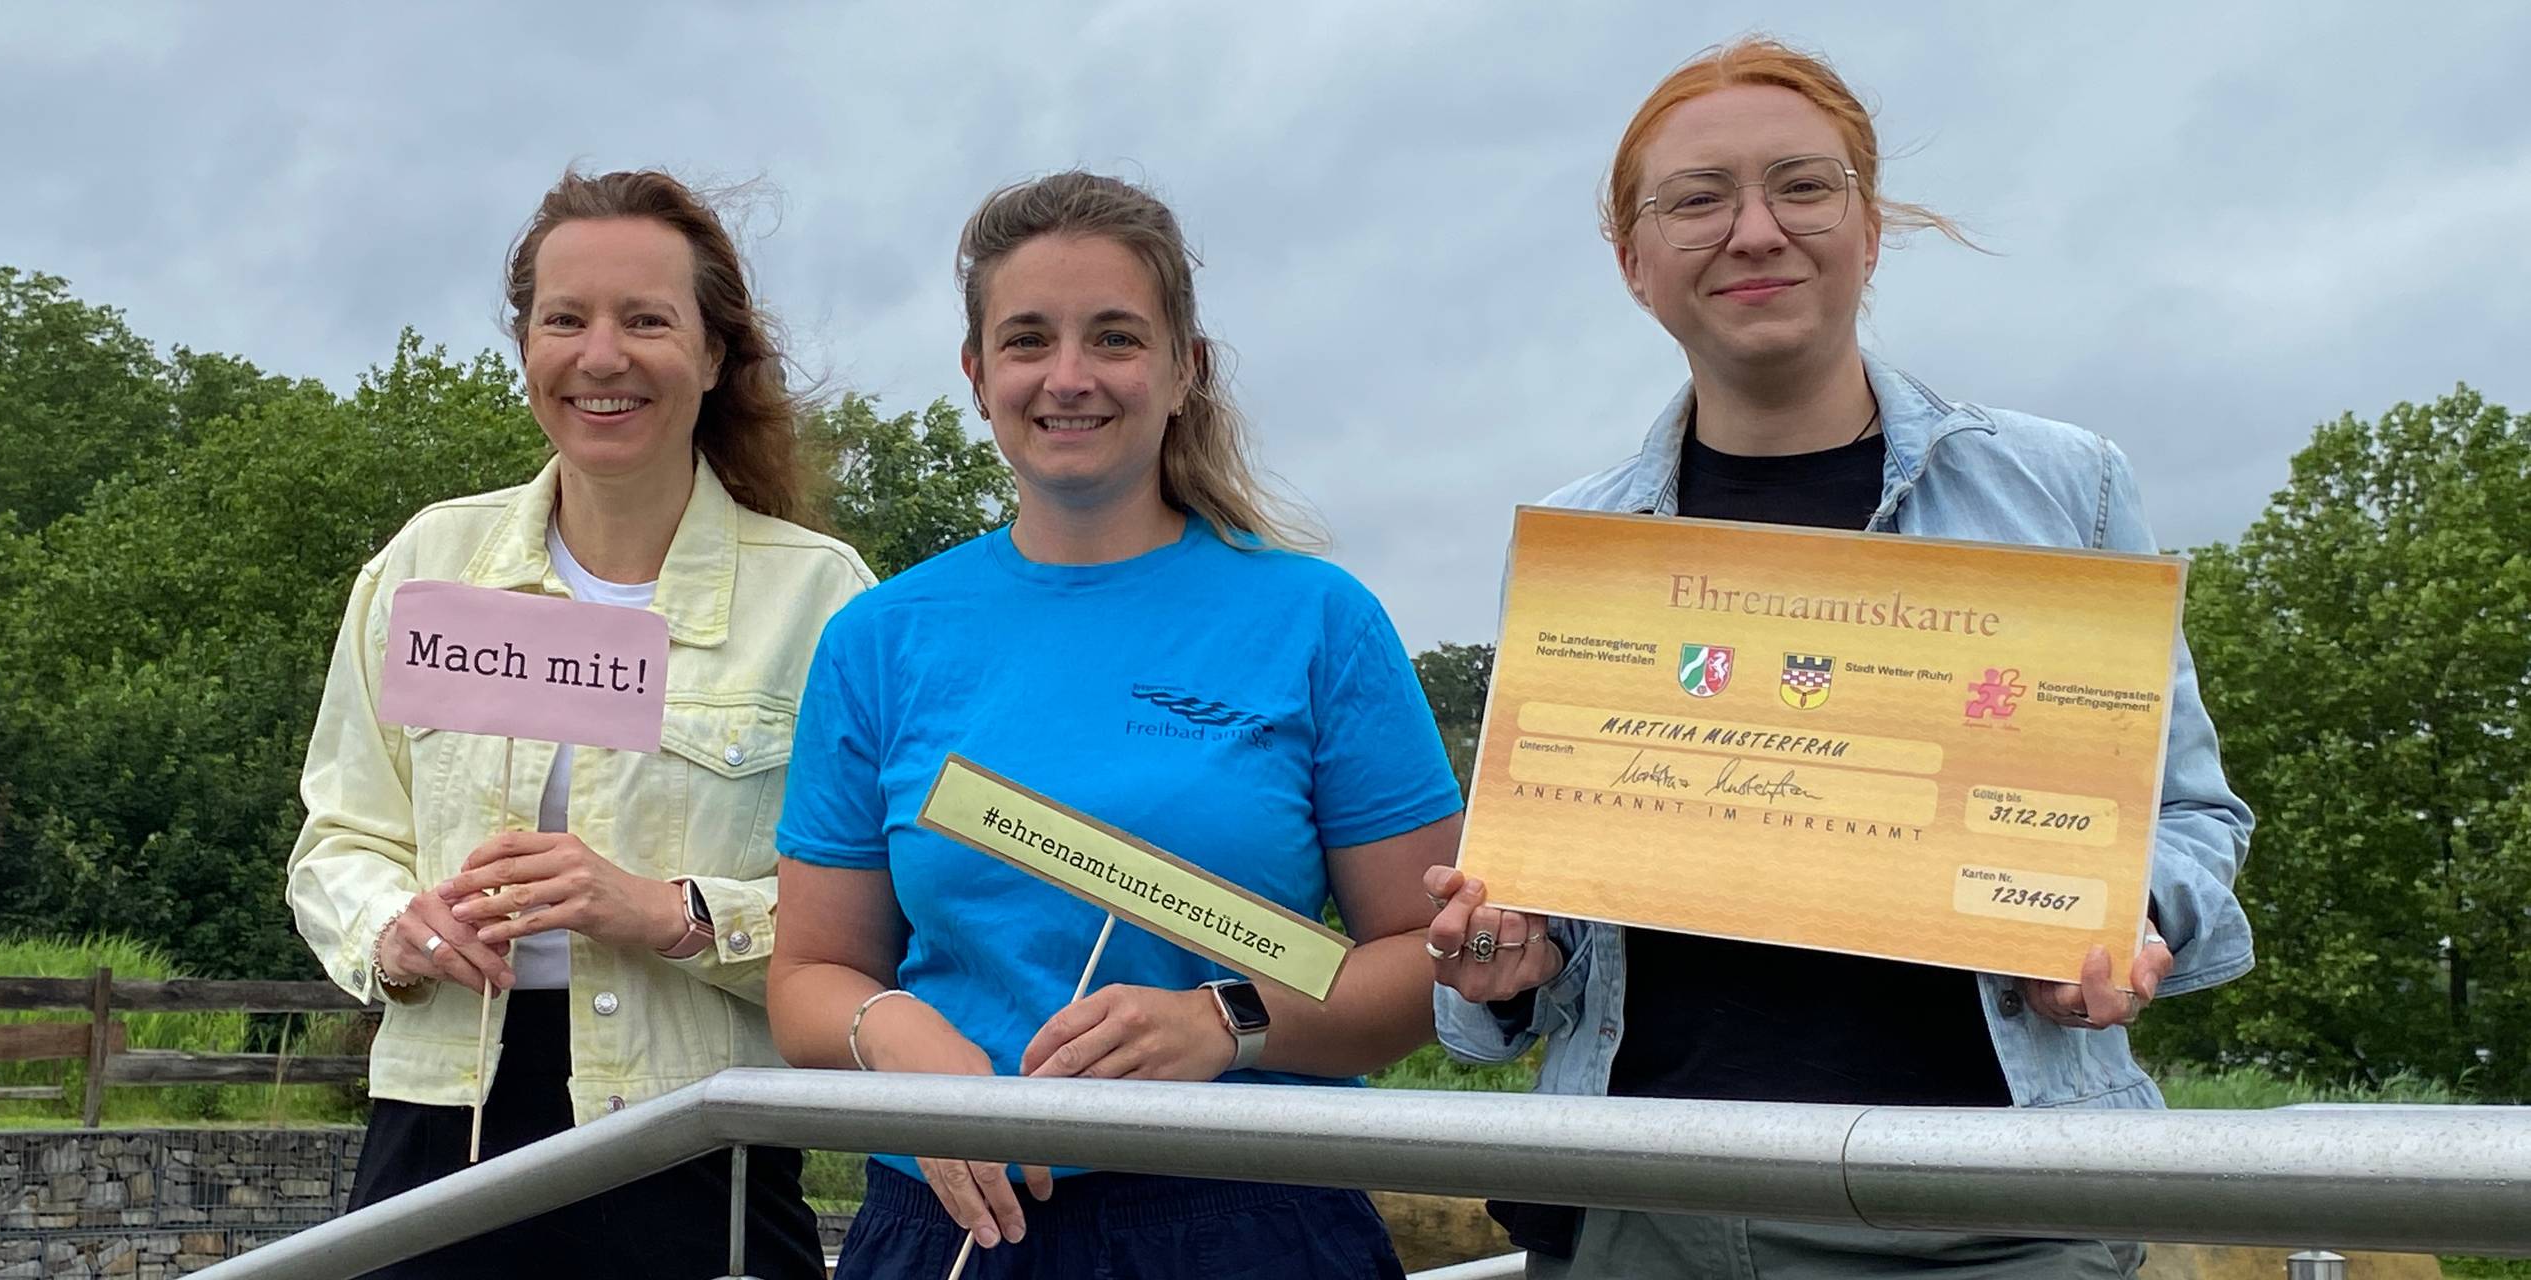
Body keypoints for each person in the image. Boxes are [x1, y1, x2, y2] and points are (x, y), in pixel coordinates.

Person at [1428, 37, 2256, 1280]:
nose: (1754, 230)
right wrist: (1504, 961)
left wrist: (2115, 920)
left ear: (1869, 228)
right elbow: (1538, 939)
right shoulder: (1578, 547)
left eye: (1801, 187)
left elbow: (2189, 817)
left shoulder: (2063, 488)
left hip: (1994, 1222)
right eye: (1696, 199)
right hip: (1642, 1205)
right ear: (1631, 260)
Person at [767, 171, 1460, 1280]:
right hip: (949, 1222)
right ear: (977, 372)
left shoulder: (1318, 621)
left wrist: (1224, 1020)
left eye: (1115, 337)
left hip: (1249, 1219)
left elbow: (1427, 966)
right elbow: (809, 972)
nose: (1069, 376)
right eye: (1028, 338)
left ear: (1185, 368)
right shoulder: (876, 640)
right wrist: (899, 1040)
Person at [287, 168, 868, 1280]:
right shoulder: (425, 567)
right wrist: (392, 932)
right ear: (525, 347)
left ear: (711, 355)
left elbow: (874, 914)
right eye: (566, 319)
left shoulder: (822, 599)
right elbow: (340, 839)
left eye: (646, 320)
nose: (601, 356)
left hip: (701, 1130)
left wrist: (670, 910)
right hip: (438, 1118)